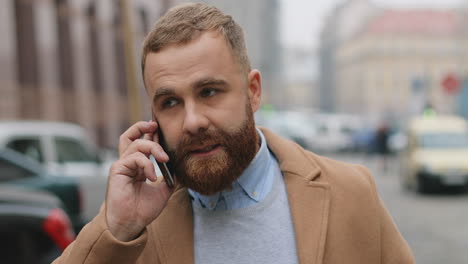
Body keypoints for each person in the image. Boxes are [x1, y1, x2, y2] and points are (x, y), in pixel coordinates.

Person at [53, 3, 414, 264]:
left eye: (209, 92)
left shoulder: (349, 193)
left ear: (253, 91)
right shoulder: (135, 228)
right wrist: (117, 226)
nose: (192, 121)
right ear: (153, 119)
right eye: (170, 102)